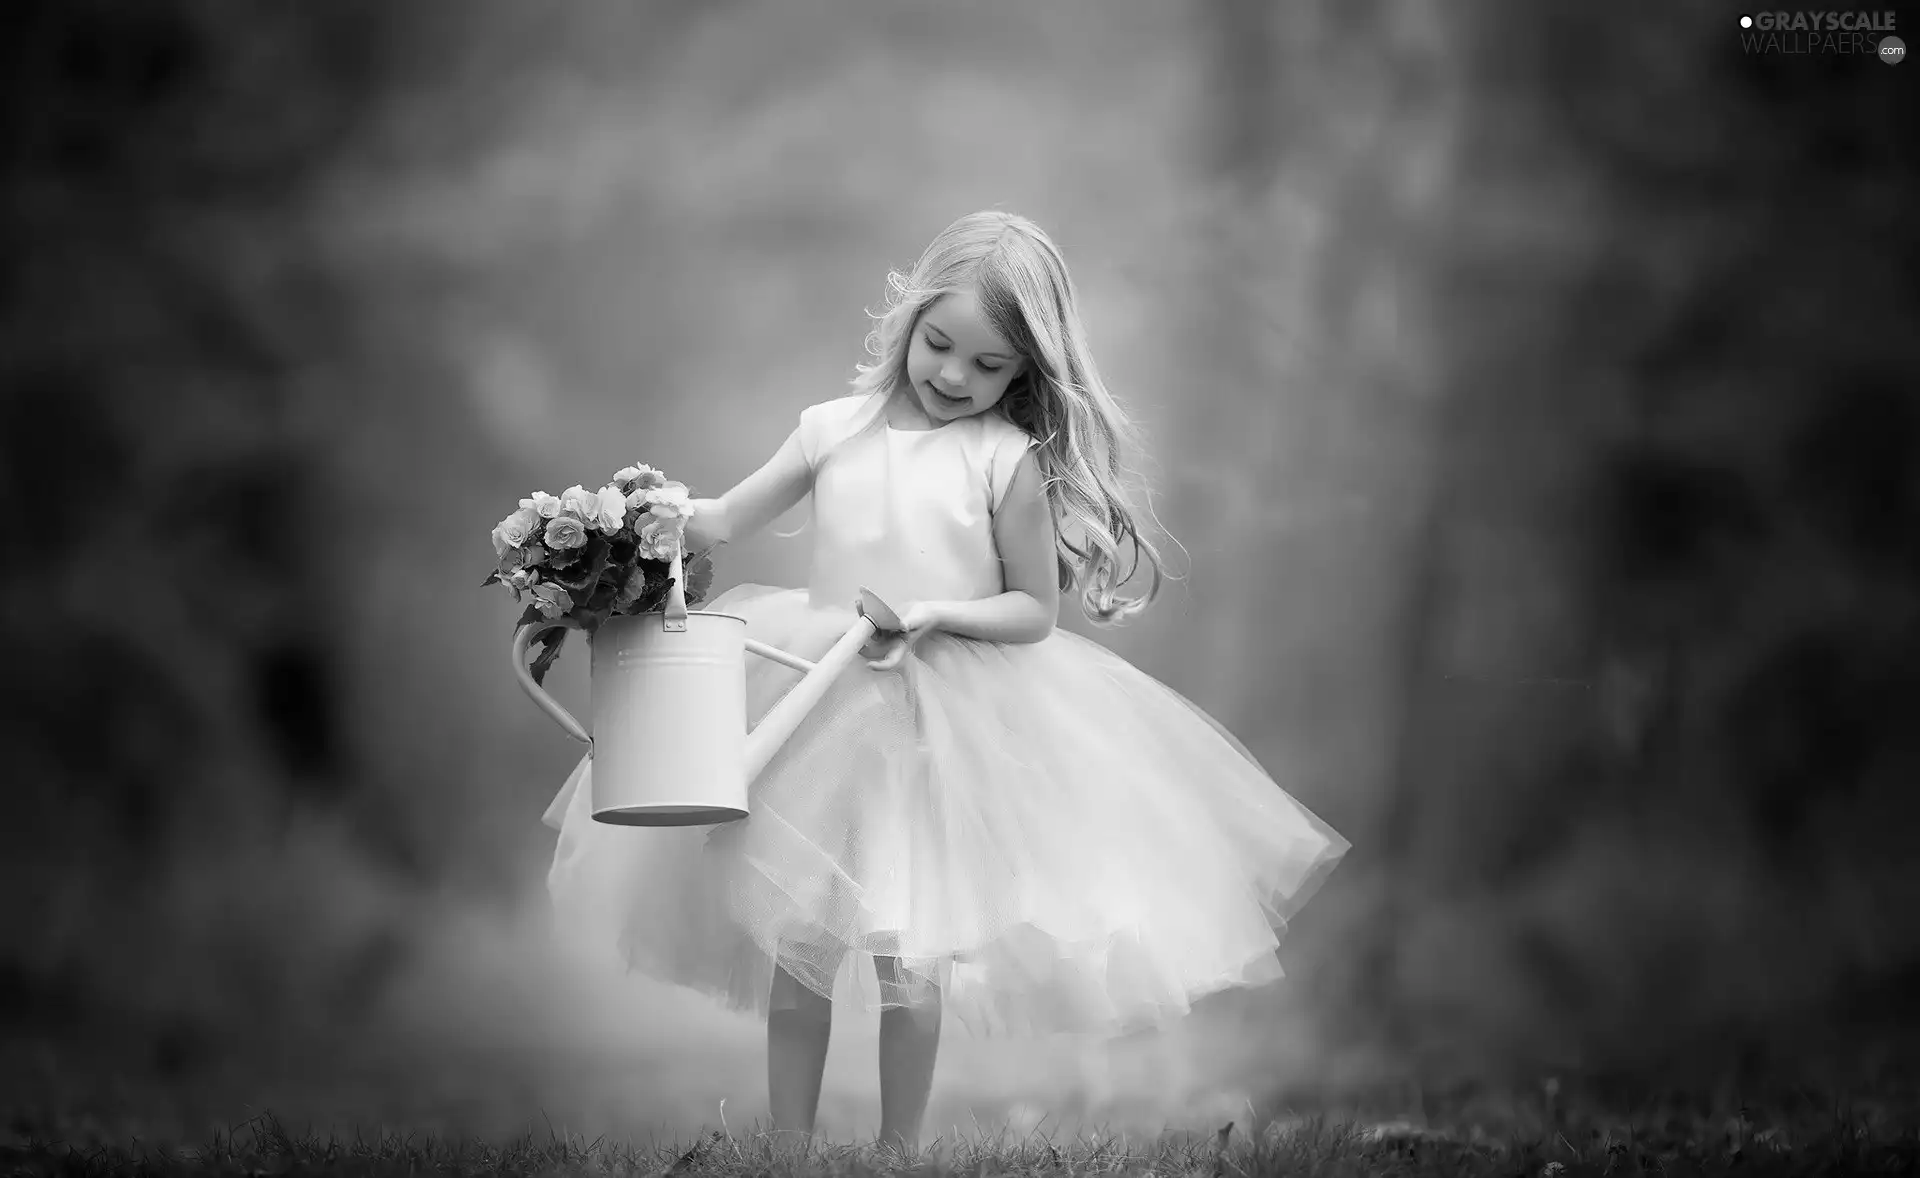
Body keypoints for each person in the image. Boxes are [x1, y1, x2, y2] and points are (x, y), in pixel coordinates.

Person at [542, 209, 1348, 1152]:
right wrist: (629, 524)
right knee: (799, 947)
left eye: (989, 366)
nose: (955, 377)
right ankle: (787, 1147)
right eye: (940, 346)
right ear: (911, 320)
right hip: (817, 700)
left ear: (1026, 374)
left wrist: (934, 615)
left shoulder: (1006, 461)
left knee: (907, 957)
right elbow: (724, 516)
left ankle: (898, 1149)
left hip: (942, 725)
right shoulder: (830, 430)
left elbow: (1032, 611)